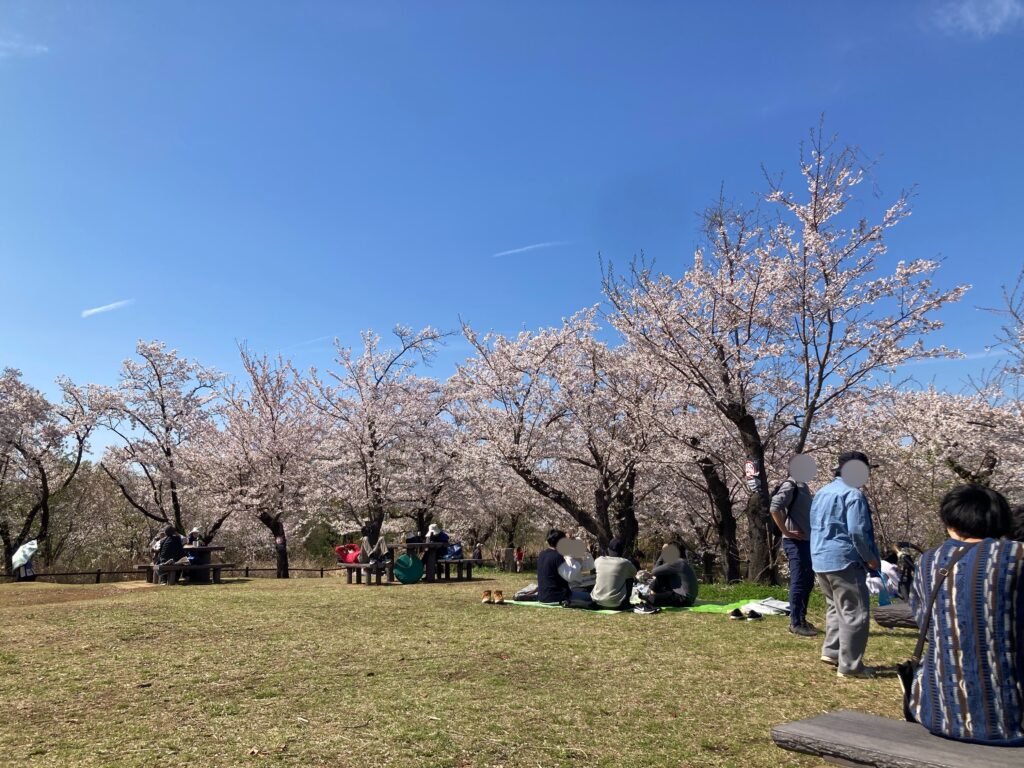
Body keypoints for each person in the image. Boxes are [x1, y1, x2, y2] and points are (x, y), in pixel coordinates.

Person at [908, 484, 1023, 745]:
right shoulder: (1017, 555)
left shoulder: (928, 561)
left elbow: (922, 619)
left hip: (938, 713)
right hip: (1011, 720)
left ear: (950, 522)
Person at [810, 451, 881, 679]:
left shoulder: (822, 492)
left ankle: (831, 652)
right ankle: (851, 666)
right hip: (845, 559)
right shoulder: (853, 494)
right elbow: (857, 531)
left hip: (820, 558)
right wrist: (870, 557)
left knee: (835, 606)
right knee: (854, 611)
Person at [770, 472, 816, 637]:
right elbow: (774, 506)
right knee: (799, 581)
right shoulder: (791, 484)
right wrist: (786, 531)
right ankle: (795, 622)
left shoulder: (803, 485)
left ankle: (802, 619)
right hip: (795, 543)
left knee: (808, 581)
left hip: (807, 541)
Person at [642, 542, 699, 608]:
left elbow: (654, 572)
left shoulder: (677, 562)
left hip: (683, 598)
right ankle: (652, 594)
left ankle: (651, 595)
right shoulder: (683, 561)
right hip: (688, 598)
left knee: (653, 599)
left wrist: (662, 554)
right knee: (663, 575)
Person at [591, 538, 638, 610]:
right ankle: (626, 603)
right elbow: (634, 573)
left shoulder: (598, 560)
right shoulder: (624, 563)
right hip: (617, 604)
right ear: (623, 551)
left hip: (597, 601)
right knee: (629, 578)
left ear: (608, 549)